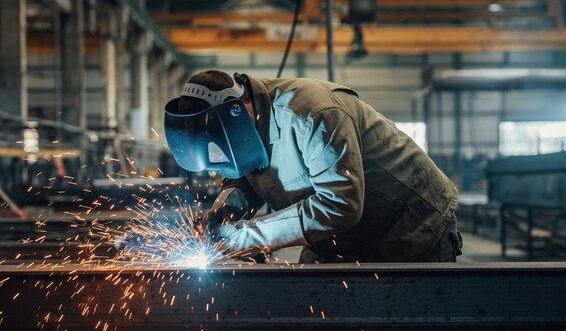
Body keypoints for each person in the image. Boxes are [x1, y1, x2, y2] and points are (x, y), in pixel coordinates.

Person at [164, 70, 462, 263]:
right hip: (342, 236)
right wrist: (217, 220)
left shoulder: (312, 114)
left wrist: (245, 237)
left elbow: (340, 205)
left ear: (236, 110)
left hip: (412, 223)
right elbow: (245, 179)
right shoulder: (242, 131)